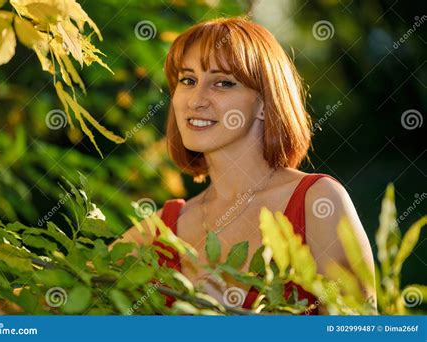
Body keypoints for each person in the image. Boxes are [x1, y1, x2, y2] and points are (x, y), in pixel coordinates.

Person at [119, 17, 376, 314]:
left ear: (266, 103)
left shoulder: (318, 201)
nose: (196, 100)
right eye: (187, 80)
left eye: (223, 83)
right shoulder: (163, 226)